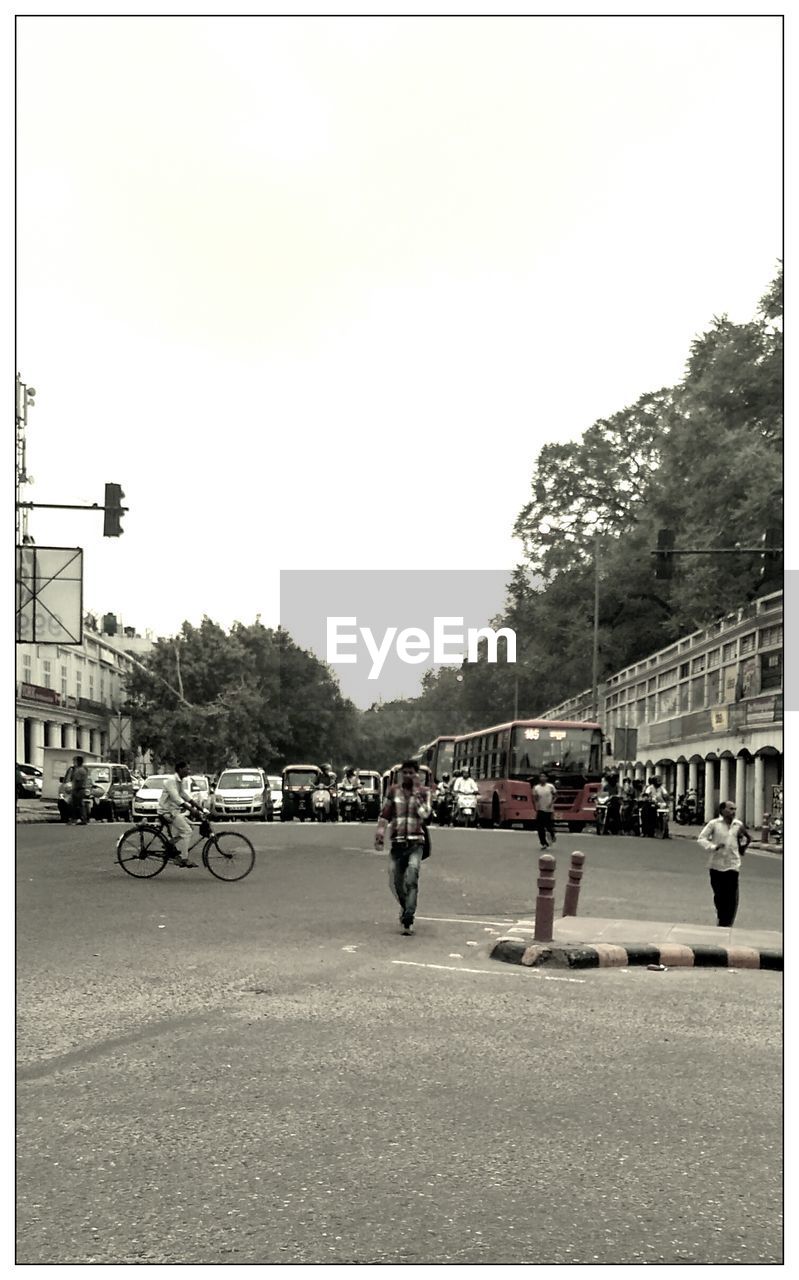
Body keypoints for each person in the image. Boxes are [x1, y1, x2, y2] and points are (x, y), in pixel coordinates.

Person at [375, 760, 431, 935]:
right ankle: (405, 906)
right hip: (398, 843)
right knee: (396, 882)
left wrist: (416, 793)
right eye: (405, 772)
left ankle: (408, 918)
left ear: (417, 774)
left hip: (416, 842)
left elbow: (425, 814)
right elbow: (385, 814)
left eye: (411, 773)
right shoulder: (393, 791)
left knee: (412, 877)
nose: (408, 776)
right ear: (401, 774)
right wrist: (380, 833)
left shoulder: (424, 792)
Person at [697, 801, 750, 926]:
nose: (733, 811)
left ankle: (727, 922)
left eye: (734, 809)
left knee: (731, 896)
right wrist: (713, 846)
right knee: (719, 895)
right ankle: (721, 915)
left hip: (733, 864)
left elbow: (746, 838)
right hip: (716, 864)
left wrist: (743, 847)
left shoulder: (738, 825)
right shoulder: (714, 824)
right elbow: (701, 838)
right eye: (730, 809)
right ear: (722, 810)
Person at [157, 760, 206, 868]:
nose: (189, 771)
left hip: (174, 811)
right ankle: (184, 859)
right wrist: (192, 810)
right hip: (167, 812)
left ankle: (170, 843)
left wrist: (198, 807)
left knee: (190, 827)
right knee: (187, 831)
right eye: (187, 769)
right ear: (180, 769)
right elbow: (176, 798)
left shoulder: (180, 781)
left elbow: (183, 794)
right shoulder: (171, 781)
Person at [533, 771, 557, 849]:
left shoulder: (550, 786)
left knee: (548, 826)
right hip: (540, 809)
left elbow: (556, 796)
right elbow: (535, 798)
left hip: (548, 809)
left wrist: (551, 803)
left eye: (544, 776)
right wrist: (536, 804)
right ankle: (543, 843)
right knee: (540, 827)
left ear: (547, 778)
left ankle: (552, 835)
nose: (542, 778)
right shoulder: (536, 787)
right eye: (541, 776)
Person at [70, 755, 90, 825]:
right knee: (77, 805)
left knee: (79, 805)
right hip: (79, 789)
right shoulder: (81, 769)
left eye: (74, 761)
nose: (73, 762)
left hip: (78, 789)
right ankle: (77, 818)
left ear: (78, 762)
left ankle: (82, 819)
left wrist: (75, 789)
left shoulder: (80, 770)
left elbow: (78, 780)